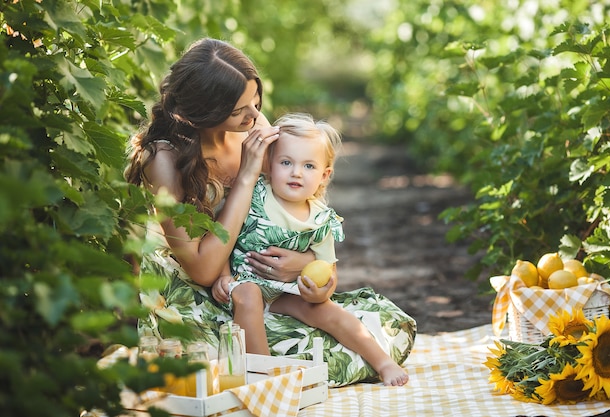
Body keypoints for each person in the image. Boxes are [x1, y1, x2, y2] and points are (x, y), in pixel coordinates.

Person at [125, 37, 417, 387]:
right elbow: (202, 271)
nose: (255, 116)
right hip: (200, 298)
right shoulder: (166, 159)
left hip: (262, 283)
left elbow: (300, 208)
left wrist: (305, 264)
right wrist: (247, 176)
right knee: (227, 365)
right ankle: (267, 381)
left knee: (386, 325)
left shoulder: (251, 125)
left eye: (256, 101)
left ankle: (276, 371)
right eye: (239, 110)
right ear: (204, 113)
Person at [212, 113, 409, 386]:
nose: (296, 172)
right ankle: (264, 378)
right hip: (245, 282)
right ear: (269, 164)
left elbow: (328, 271)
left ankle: (382, 361)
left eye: (308, 166)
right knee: (248, 294)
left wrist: (320, 291)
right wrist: (222, 274)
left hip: (287, 293)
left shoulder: (320, 220)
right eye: (286, 162)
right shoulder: (254, 195)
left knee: (329, 311)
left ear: (324, 175)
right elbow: (224, 234)